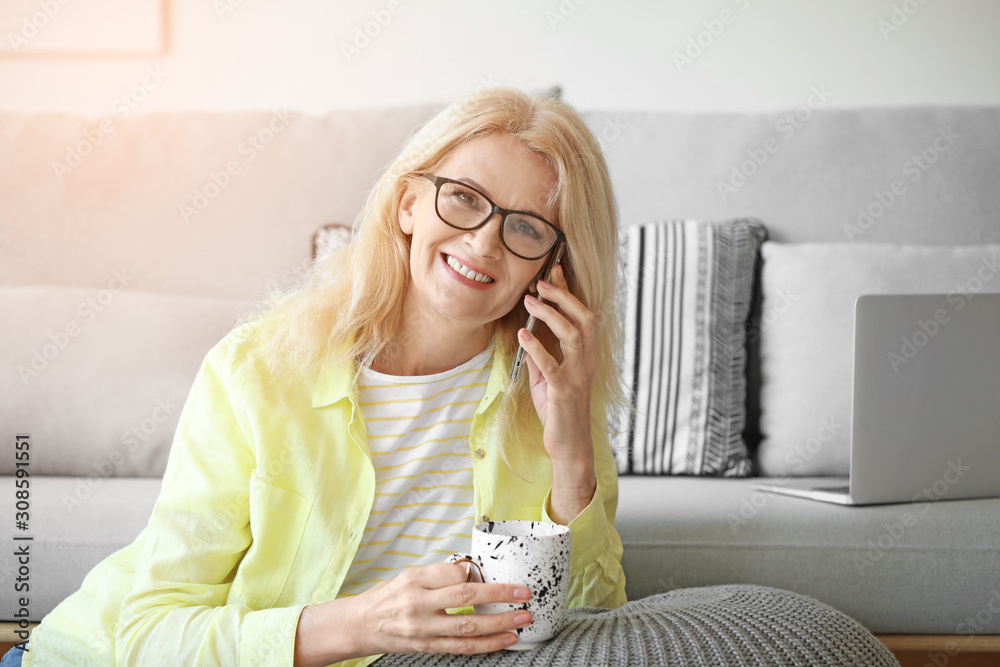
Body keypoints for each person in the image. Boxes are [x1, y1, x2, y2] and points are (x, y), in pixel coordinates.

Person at [12, 86, 628, 667]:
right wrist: (363, 624)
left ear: (554, 267)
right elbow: (150, 636)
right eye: (464, 197)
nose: (484, 240)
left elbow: (594, 631)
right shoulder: (258, 369)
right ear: (408, 204)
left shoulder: (556, 401)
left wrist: (572, 455)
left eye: (525, 226)